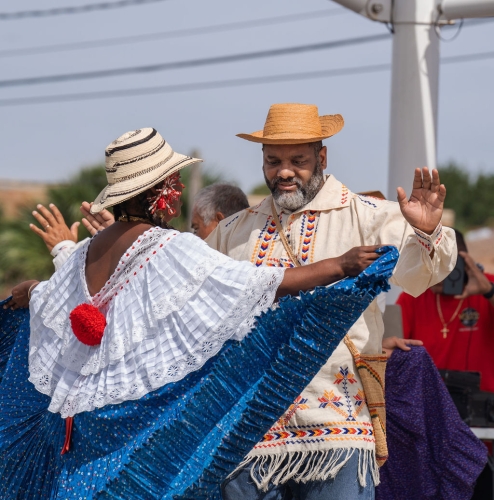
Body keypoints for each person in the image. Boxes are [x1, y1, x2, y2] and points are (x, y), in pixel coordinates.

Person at [1, 127, 399, 499]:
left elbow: (55, 304)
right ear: (162, 193)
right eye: (173, 184)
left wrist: (32, 289)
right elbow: (258, 284)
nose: (177, 193)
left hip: (77, 434)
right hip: (126, 436)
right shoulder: (170, 249)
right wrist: (341, 267)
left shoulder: (85, 251)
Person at [203, 103, 457, 499]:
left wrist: (427, 231)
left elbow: (420, 275)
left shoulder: (371, 216)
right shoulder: (234, 230)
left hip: (336, 426)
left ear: (322, 157)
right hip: (246, 430)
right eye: (273, 161)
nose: (284, 171)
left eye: (297, 160)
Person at [397, 229, 494, 391]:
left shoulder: (486, 285)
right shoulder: (413, 295)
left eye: (442, 265)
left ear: (462, 263)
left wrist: (488, 290)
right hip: (430, 400)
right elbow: (395, 348)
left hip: (482, 403)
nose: (434, 274)